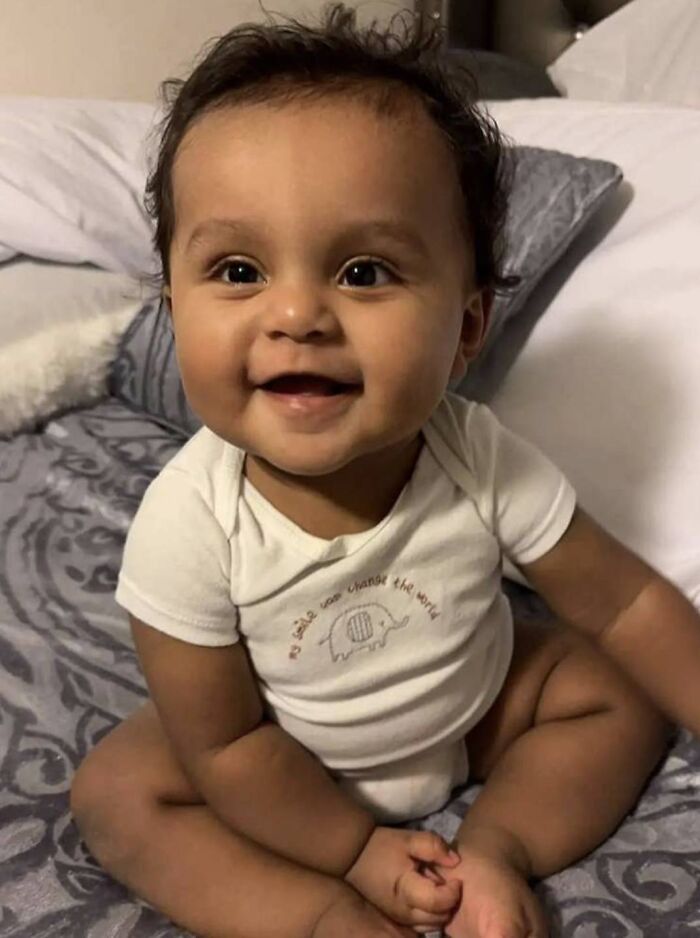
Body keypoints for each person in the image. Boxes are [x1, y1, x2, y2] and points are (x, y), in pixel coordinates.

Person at [70, 4, 700, 937]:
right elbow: (227, 743)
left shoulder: (475, 452)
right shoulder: (188, 525)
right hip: (286, 756)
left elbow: (626, 605)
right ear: (172, 311)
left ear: (466, 331)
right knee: (118, 792)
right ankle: (322, 919)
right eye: (239, 270)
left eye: (363, 273)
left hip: (473, 709)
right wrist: (354, 856)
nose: (296, 315)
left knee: (617, 682)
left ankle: (500, 848)